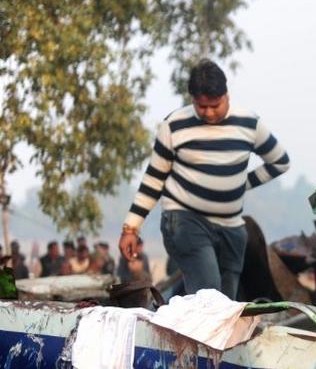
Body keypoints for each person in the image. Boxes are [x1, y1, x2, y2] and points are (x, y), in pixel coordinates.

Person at [118, 59, 290, 299]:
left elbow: (280, 162)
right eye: (201, 106)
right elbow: (154, 180)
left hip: (231, 226)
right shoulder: (174, 126)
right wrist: (131, 228)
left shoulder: (250, 123)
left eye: (215, 105)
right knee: (209, 295)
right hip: (185, 219)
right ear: (192, 100)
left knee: (226, 303)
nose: (208, 113)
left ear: (226, 96)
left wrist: (242, 184)